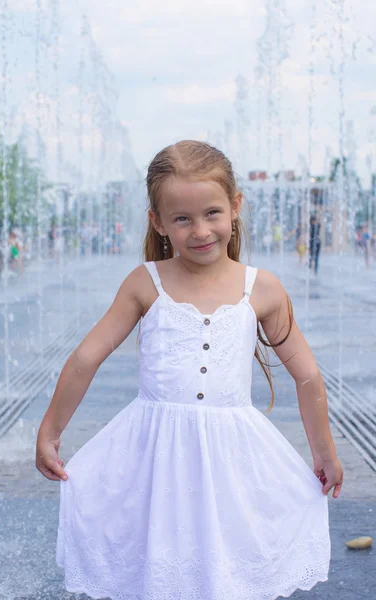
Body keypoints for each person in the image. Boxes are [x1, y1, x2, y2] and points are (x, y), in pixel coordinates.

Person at [36, 141, 343, 599]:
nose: (201, 230)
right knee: (159, 565)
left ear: (236, 207)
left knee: (225, 565)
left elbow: (307, 377)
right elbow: (86, 358)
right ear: (158, 221)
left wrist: (324, 453)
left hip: (232, 458)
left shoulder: (262, 289)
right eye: (182, 218)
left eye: (212, 213)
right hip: (154, 455)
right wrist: (50, 431)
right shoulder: (146, 283)